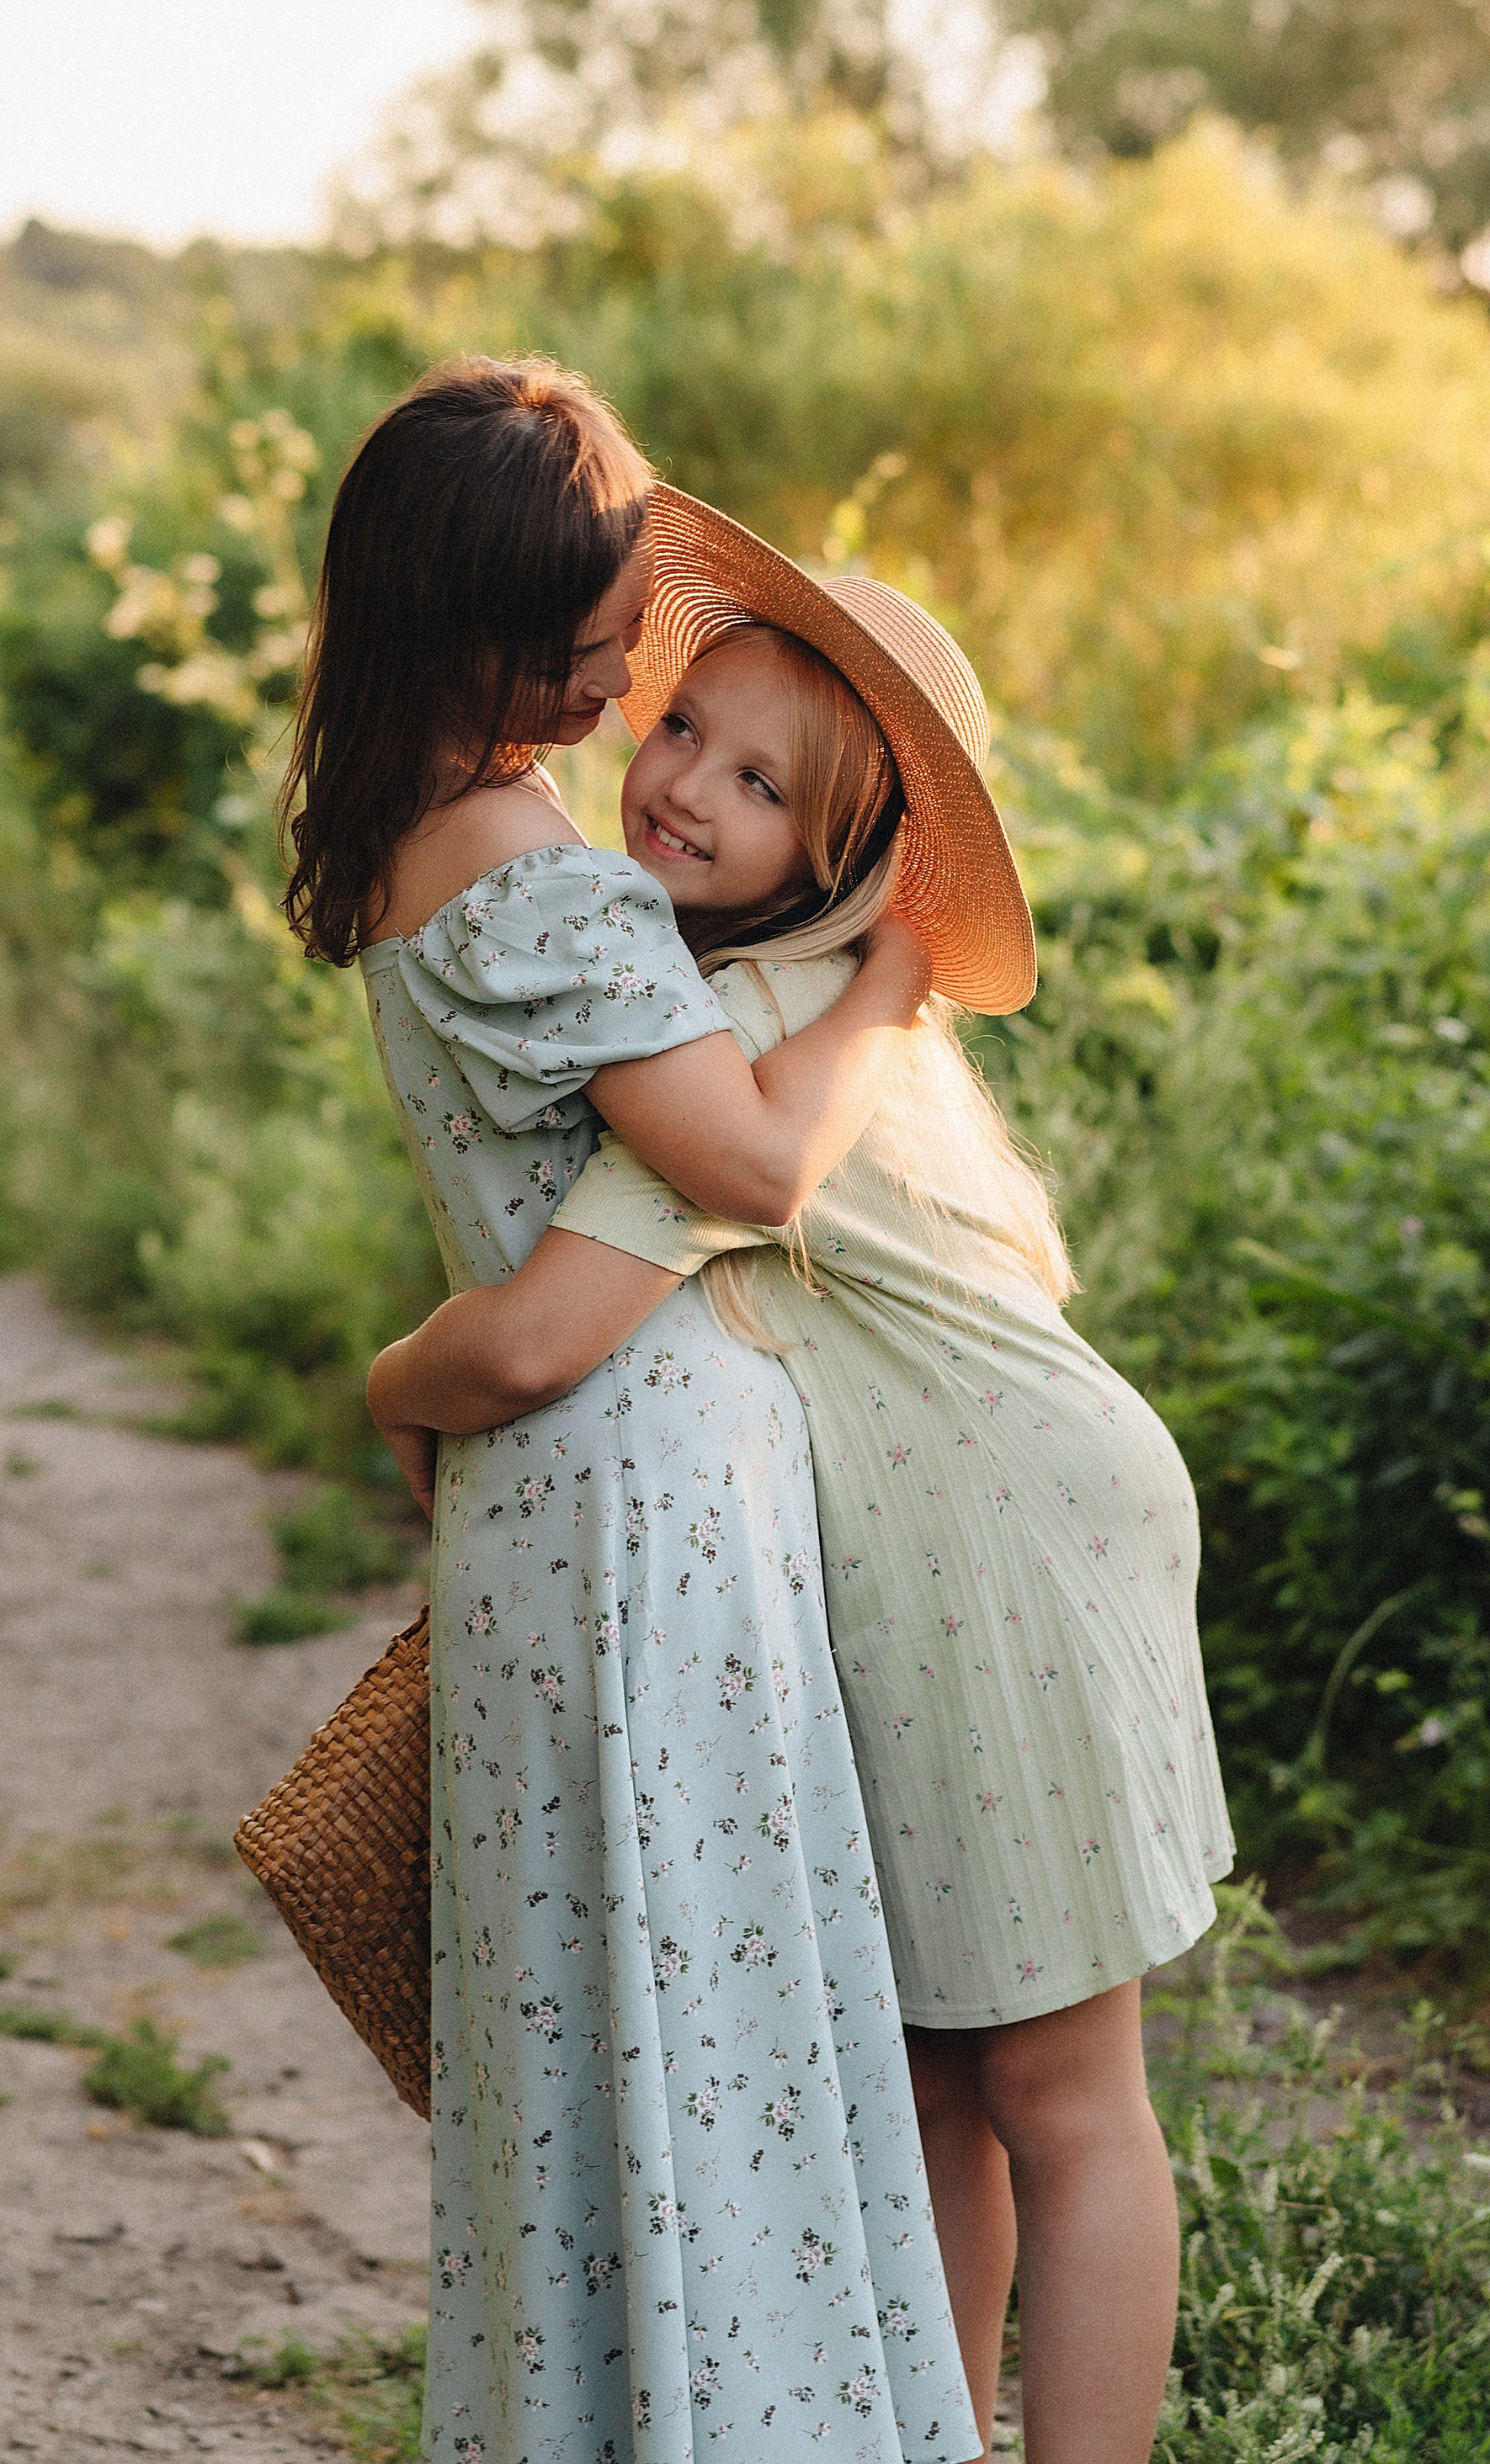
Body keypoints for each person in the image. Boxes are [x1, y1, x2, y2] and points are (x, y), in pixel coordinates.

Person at [367, 486, 1234, 2464]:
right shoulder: (774, 1009)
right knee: (924, 2071)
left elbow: (534, 1331)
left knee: (1056, 2080)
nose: (675, 784)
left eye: (756, 784)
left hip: (1002, 1543)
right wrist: (873, 988)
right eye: (679, 726)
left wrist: (394, 1380)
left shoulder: (748, 1029)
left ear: (832, 858)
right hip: (928, 1547)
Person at [285, 359, 978, 2464]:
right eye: (592, 662)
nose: (613, 702)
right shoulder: (547, 881)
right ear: (480, 633)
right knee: (706, 2021)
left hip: (555, 1509)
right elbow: (752, 1166)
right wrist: (882, 978)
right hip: (641, 1515)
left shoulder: (406, 825)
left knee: (590, 2037)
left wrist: (417, 1363)